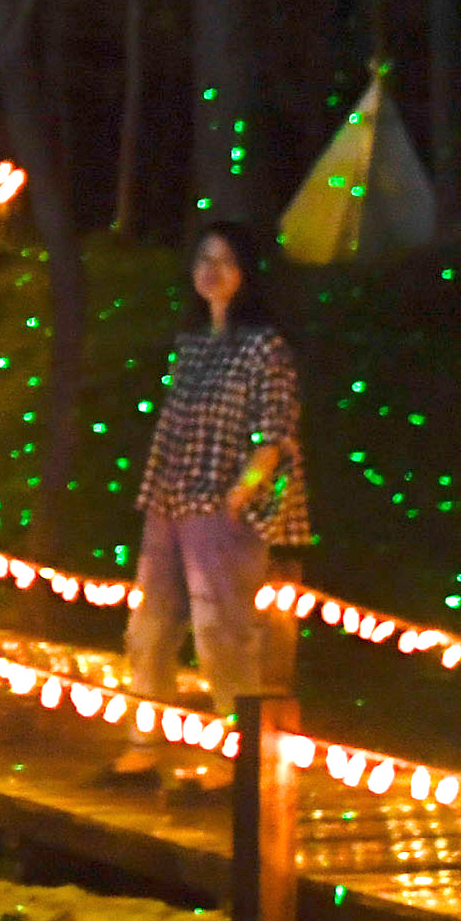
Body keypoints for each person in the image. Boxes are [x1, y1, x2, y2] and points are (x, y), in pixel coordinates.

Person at [123, 221, 312, 706]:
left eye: (227, 261)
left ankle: (240, 742)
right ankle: (145, 738)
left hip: (221, 505)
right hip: (170, 496)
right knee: (149, 626)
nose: (213, 270)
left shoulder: (264, 346)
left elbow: (274, 434)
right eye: (205, 259)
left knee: (221, 632)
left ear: (246, 272)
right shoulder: (191, 343)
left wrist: (241, 493)